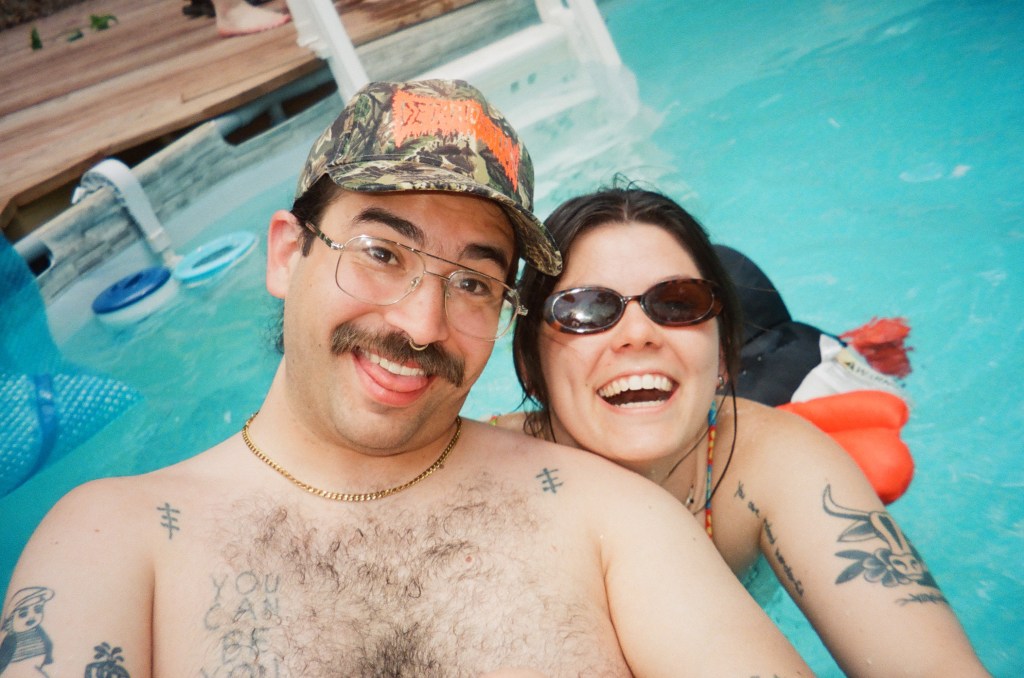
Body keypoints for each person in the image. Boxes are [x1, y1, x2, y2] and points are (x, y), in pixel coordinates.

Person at [1, 81, 811, 676]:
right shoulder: (116, 544)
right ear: (286, 255)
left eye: (473, 282)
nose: (421, 325)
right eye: (382, 253)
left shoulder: (606, 515)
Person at [500, 184, 990, 676]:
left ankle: (861, 346)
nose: (638, 333)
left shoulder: (775, 461)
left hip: (752, 386)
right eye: (584, 310)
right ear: (528, 365)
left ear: (722, 355)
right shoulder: (492, 479)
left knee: (802, 362)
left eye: (679, 302)